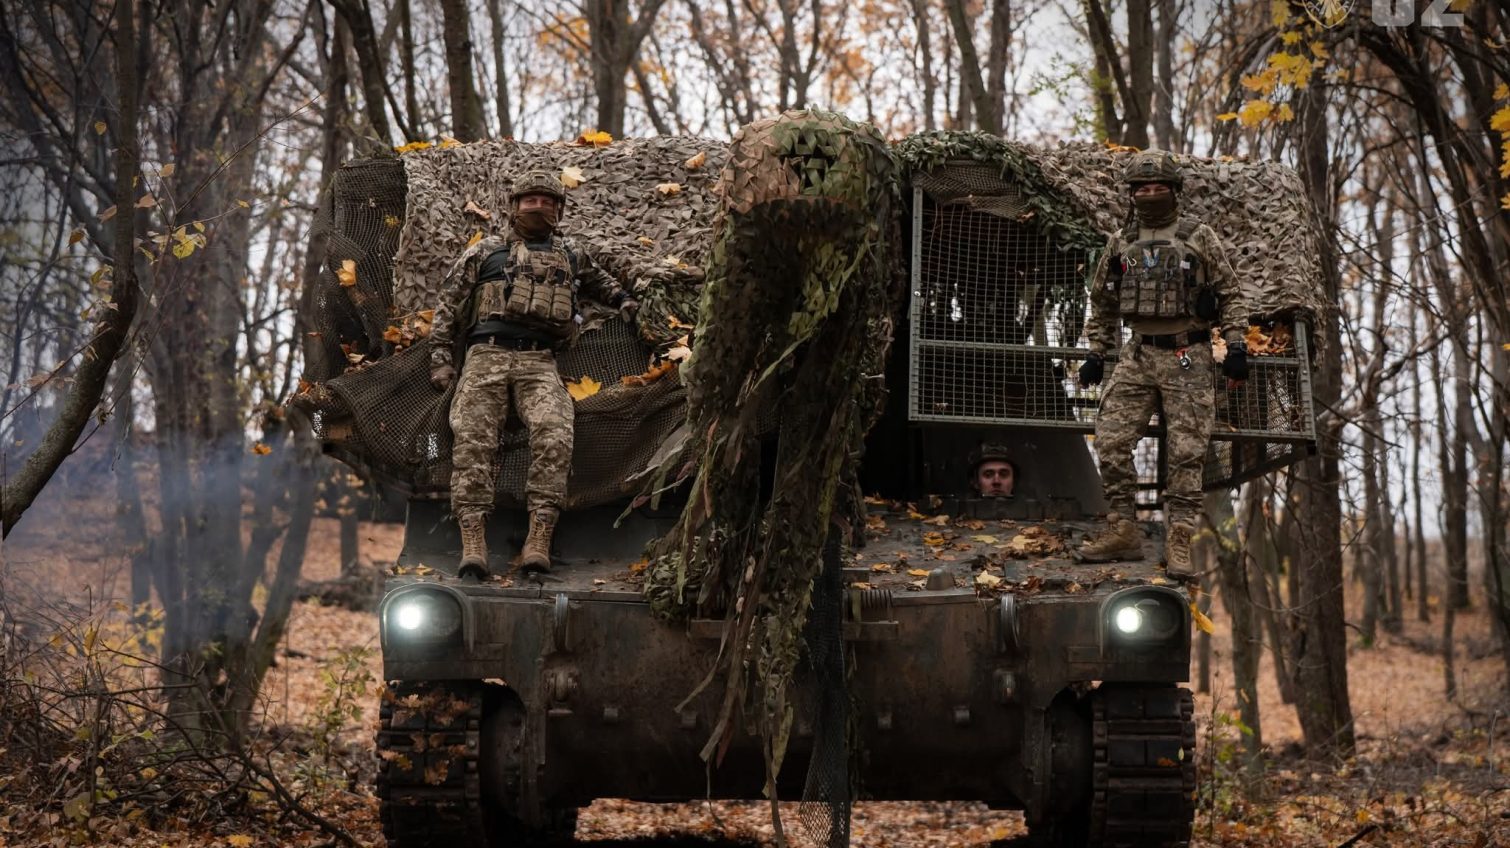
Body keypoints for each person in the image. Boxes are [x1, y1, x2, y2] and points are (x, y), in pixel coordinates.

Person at [429, 171, 638, 576]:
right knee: (472, 437)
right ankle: (473, 540)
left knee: (555, 431)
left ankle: (539, 536)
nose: (538, 207)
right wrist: (440, 357)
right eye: (531, 200)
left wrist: (624, 299)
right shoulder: (485, 252)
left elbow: (602, 282)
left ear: (559, 210)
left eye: (547, 201)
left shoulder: (571, 254)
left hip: (539, 361)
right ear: (514, 207)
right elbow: (448, 304)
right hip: (485, 357)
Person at [1076, 149, 1249, 578]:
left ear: (1174, 190)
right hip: (1138, 354)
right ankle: (1123, 529)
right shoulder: (1121, 242)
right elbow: (1102, 301)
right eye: (1142, 188)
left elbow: (1231, 293)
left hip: (1187, 355)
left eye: (1158, 187)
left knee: (1187, 452)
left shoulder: (1199, 236)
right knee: (1110, 440)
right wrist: (1097, 351)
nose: (1150, 194)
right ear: (1131, 193)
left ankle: (1180, 539)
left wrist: (1236, 345)